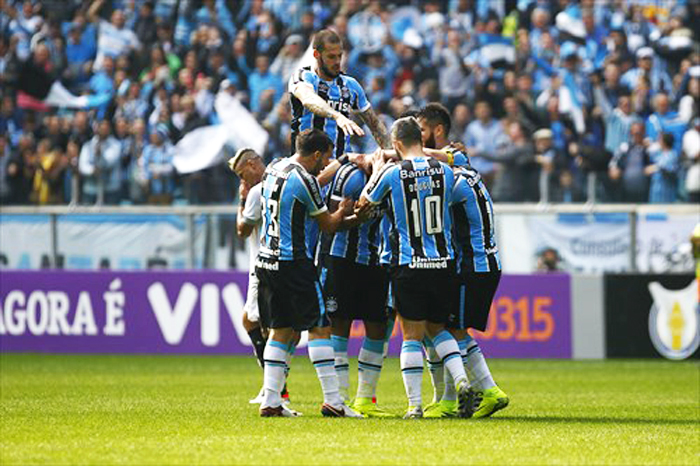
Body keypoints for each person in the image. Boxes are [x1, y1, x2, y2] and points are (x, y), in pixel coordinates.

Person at [355, 117, 479, 419]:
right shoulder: (446, 172)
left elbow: (363, 204)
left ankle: (415, 406)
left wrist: (377, 177)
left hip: (409, 263)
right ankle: (462, 380)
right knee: (438, 329)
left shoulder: (393, 173)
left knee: (410, 335)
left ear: (396, 145)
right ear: (420, 141)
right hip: (443, 262)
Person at [256, 128, 361, 418]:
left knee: (282, 330)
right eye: (325, 159)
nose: (325, 164)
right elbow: (328, 225)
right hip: (294, 263)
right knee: (319, 327)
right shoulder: (305, 180)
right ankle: (333, 402)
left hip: (266, 261)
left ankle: (271, 401)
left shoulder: (274, 166)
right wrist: (347, 212)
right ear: (316, 154)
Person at [416, 103, 509, 419]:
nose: (418, 137)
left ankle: (487, 390)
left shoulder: (451, 179)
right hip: (478, 264)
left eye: (422, 131)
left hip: (473, 266)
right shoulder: (462, 165)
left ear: (437, 131)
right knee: (441, 325)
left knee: (450, 328)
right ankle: (449, 398)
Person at [320, 153, 394, 418]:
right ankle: (339, 400)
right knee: (339, 324)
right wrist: (355, 219)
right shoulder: (350, 176)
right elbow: (330, 222)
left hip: (374, 259)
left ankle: (364, 400)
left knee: (377, 327)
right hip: (342, 258)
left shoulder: (391, 176)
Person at [228, 148, 296, 414]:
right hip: (281, 262)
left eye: (241, 174)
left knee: (261, 323)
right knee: (272, 325)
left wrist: (241, 202)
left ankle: (276, 389)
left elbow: (242, 230)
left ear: (252, 164)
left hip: (264, 264)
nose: (241, 181)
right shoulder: (281, 184)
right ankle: (276, 387)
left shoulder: (257, 192)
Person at [288, 28, 391, 159]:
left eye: (339, 56)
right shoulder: (303, 76)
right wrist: (338, 116)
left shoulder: (351, 85)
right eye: (331, 57)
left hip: (340, 167)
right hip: (306, 165)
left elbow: (375, 125)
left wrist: (391, 154)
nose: (337, 62)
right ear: (316, 54)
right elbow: (308, 99)